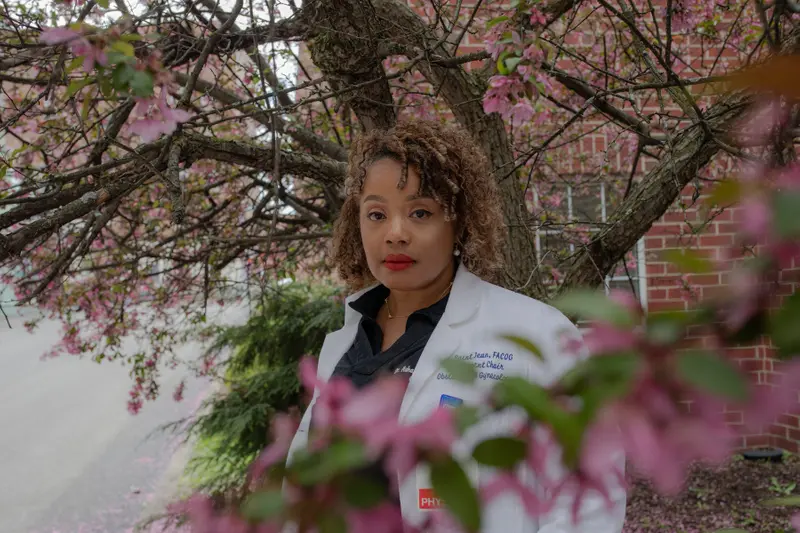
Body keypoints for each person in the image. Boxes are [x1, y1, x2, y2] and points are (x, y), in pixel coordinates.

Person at [285, 119, 626, 532]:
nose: (395, 234)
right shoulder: (342, 346)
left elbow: (589, 496)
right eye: (376, 214)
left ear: (458, 222)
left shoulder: (537, 332)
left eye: (420, 212)